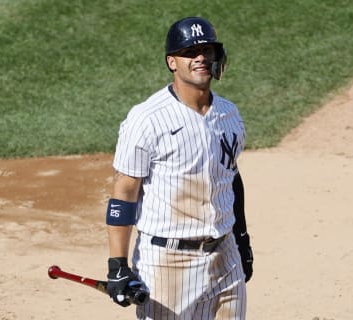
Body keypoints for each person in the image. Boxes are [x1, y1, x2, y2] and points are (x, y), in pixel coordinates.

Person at [105, 16, 253, 319]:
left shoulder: (229, 114)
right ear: (172, 62)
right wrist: (118, 264)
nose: (200, 57)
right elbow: (124, 193)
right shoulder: (147, 119)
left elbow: (231, 179)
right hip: (169, 264)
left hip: (225, 257)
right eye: (189, 52)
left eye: (206, 50)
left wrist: (241, 238)